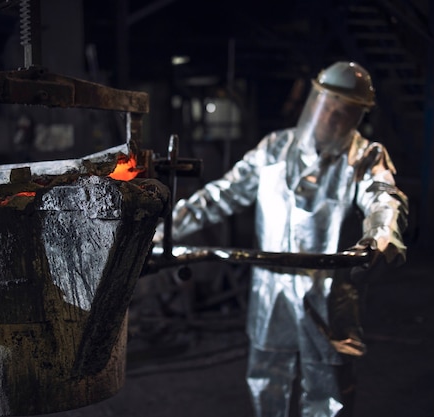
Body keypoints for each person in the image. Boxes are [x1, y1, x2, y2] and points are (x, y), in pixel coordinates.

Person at [157, 61, 408, 417]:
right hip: (270, 290)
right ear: (314, 104)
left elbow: (385, 199)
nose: (331, 120)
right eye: (327, 108)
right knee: (266, 379)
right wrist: (161, 230)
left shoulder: (365, 157)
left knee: (328, 390)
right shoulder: (274, 148)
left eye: (344, 114)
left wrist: (378, 238)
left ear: (356, 117)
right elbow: (221, 195)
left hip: (328, 296)